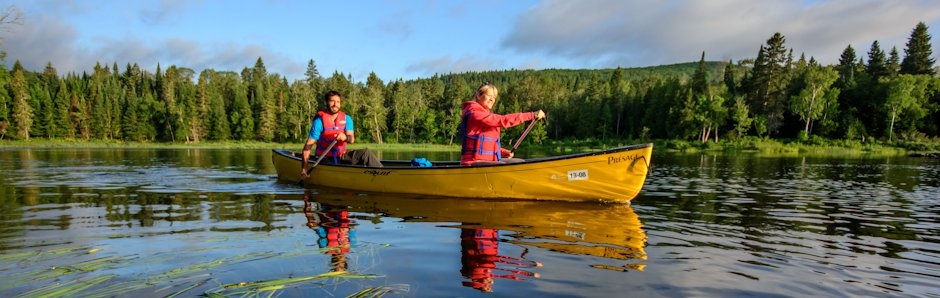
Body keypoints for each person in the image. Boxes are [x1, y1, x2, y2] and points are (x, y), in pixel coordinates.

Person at [459, 82, 546, 166]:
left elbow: (487, 145)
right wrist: (531, 115)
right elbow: (503, 120)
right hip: (472, 162)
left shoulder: (484, 114)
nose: (492, 99)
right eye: (489, 96)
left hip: (486, 161)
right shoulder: (475, 114)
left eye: (494, 97)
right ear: (478, 95)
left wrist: (503, 152)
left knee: (519, 161)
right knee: (509, 165)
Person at [300, 90, 382, 178]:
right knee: (334, 167)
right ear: (327, 102)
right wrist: (304, 168)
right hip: (324, 158)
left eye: (338, 102)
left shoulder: (347, 119)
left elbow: (352, 139)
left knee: (366, 153)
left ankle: (382, 175)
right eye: (332, 101)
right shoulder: (319, 122)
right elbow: (307, 147)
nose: (335, 104)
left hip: (341, 156)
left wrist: (345, 137)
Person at [460, 227, 541, 292]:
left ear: (483, 284)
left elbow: (504, 261)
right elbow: (509, 276)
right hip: (487, 235)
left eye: (489, 286)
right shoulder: (483, 271)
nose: (492, 282)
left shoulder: (480, 268)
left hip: (484, 231)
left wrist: (530, 264)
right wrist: (529, 274)